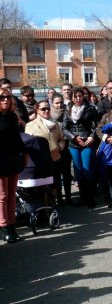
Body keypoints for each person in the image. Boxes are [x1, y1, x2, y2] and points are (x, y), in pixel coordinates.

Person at [62, 87, 99, 208]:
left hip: (87, 143)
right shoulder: (67, 109)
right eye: (75, 96)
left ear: (83, 96)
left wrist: (92, 137)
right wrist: (74, 138)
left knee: (87, 170)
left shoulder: (90, 108)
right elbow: (64, 128)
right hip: (74, 144)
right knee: (78, 172)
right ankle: (83, 198)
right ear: (72, 98)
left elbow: (99, 126)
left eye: (80, 96)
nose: (78, 99)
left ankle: (91, 198)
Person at [25, 100, 65, 202]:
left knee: (55, 183)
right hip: (41, 161)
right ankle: (45, 207)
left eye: (48, 108)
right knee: (44, 186)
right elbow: (28, 143)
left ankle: (55, 203)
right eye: (43, 109)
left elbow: (61, 138)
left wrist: (60, 146)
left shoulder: (55, 123)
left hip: (55, 158)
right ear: (37, 110)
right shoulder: (30, 125)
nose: (46, 111)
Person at [0, 87, 26, 243]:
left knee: (11, 195)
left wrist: (25, 154)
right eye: (2, 97)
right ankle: (4, 227)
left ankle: (12, 225)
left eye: (8, 97)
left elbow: (17, 138)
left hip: (13, 159)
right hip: (0, 160)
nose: (5, 100)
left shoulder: (12, 116)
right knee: (2, 196)